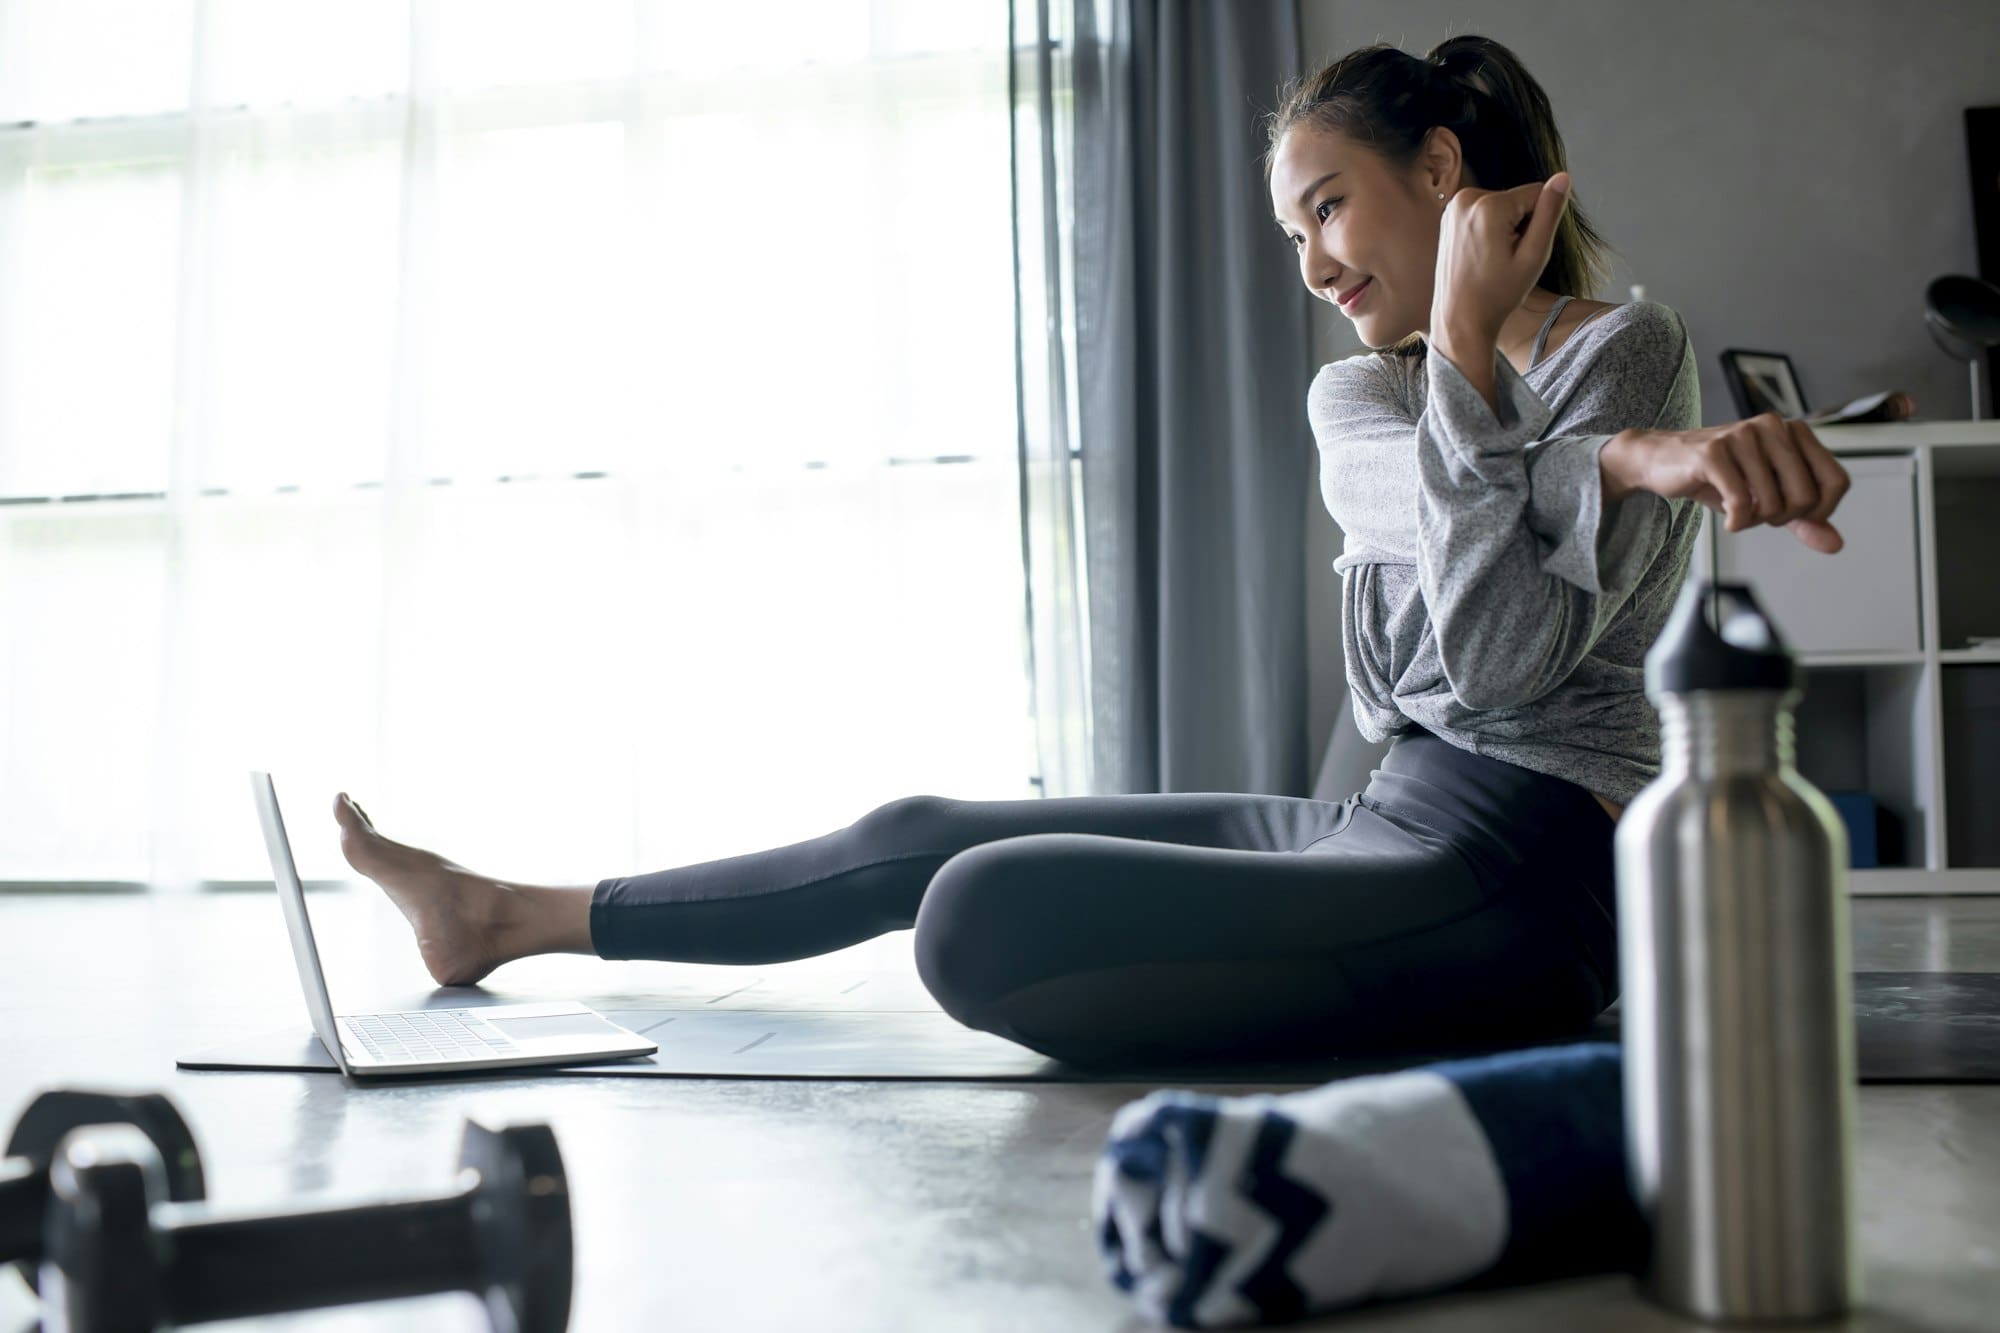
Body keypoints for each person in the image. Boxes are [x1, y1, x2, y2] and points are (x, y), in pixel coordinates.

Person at [333, 34, 1850, 1071]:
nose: (1314, 266)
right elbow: (1446, 626)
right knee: (920, 825)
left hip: (1534, 872)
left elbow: (1505, 654)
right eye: (1289, 233)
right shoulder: (1357, 392)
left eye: (1329, 208)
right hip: (1383, 809)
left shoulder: (1627, 348)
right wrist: (1597, 463)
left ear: (1444, 172)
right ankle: (509, 913)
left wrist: (1480, 361)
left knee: (978, 916)